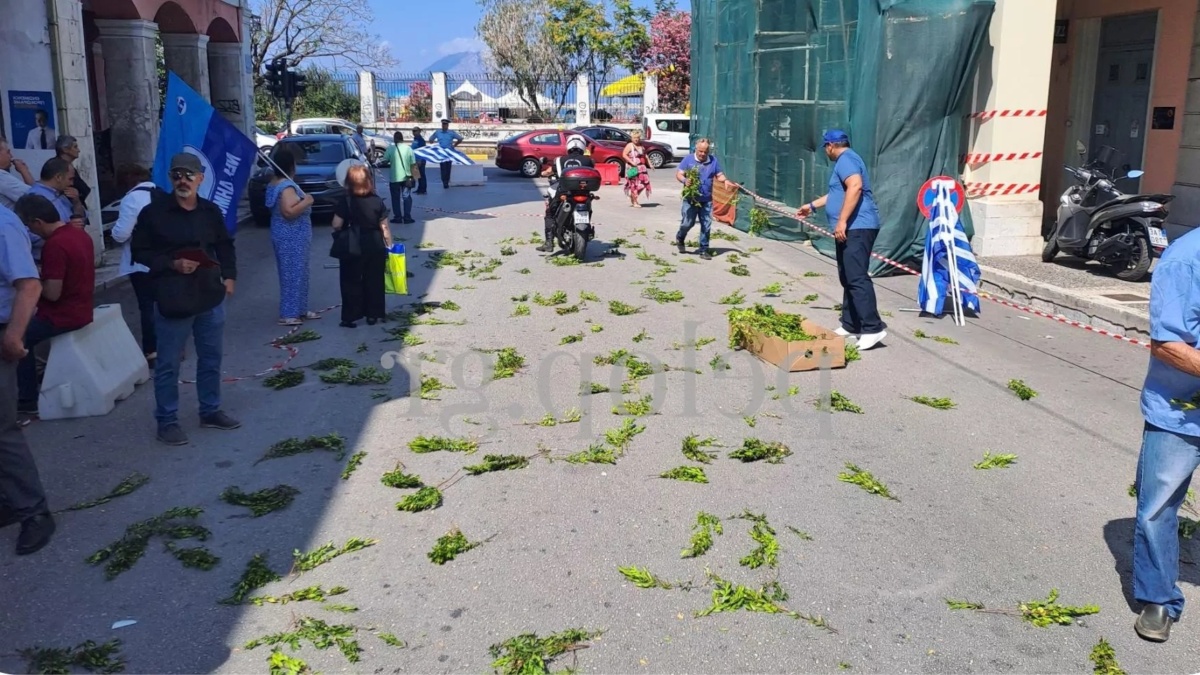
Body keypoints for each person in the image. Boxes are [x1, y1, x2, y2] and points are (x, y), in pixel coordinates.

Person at [131, 153, 239, 446]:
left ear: (200, 179)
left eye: (189, 175)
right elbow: (139, 252)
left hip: (209, 295)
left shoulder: (210, 211)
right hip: (173, 297)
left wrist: (229, 276)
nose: (183, 180)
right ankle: (166, 421)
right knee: (167, 363)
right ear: (170, 178)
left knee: (211, 358)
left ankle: (210, 410)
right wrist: (171, 263)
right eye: (177, 174)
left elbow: (224, 245)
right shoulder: (154, 214)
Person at [1130, 225, 1200, 643]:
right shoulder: (1185, 259)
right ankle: (1158, 599)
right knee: (1158, 507)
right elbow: (1167, 344)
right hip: (1179, 411)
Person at [797, 129, 887, 350]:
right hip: (851, 228)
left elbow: (855, 187)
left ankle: (872, 328)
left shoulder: (846, 159)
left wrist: (842, 221)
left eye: (825, 148)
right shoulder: (847, 161)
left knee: (856, 277)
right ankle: (850, 324)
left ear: (830, 146)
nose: (826, 152)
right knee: (847, 275)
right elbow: (839, 194)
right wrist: (811, 206)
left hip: (858, 227)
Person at [0, 201, 55, 555]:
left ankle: (34, 512)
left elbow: (30, 286)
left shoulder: (2, 223)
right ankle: (7, 500)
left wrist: (15, 337)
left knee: (1, 430)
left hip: (1, 330)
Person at [11, 195, 95, 417]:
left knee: (19, 336)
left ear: (37, 221)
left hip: (63, 315)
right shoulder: (79, 235)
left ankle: (27, 398)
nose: (30, 231)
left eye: (29, 225)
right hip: (82, 307)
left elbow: (53, 293)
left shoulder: (55, 245)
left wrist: (35, 279)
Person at [110, 164, 160, 363]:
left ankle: (152, 351)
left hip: (140, 262)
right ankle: (173, 346)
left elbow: (121, 234)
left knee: (147, 307)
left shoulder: (132, 198)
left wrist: (112, 232)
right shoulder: (160, 193)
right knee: (164, 303)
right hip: (164, 259)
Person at [332, 164, 391, 328]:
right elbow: (384, 227)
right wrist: (389, 245)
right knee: (374, 279)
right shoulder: (377, 201)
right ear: (368, 181)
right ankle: (373, 314)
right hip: (374, 243)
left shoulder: (346, 201)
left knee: (350, 280)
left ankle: (349, 317)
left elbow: (336, 224)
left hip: (353, 244)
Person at [266, 149, 319, 326]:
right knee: (291, 274)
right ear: (291, 166)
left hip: (292, 235)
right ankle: (288, 313)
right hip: (290, 236)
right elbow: (288, 212)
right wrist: (307, 201)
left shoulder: (276, 183)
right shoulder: (286, 187)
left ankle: (300, 309)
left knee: (300, 273)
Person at [674, 138, 732, 261]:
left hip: (706, 200)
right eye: (700, 151)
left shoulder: (713, 161)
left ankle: (704, 249)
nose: (702, 154)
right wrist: (685, 180)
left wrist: (725, 180)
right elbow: (679, 174)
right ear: (696, 149)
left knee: (706, 225)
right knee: (687, 223)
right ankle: (680, 237)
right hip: (690, 199)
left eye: (705, 152)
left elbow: (719, 175)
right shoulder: (688, 159)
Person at [537, 135, 594, 253]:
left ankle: (549, 242)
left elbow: (549, 172)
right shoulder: (589, 161)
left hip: (564, 192)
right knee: (589, 205)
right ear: (583, 146)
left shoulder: (560, 160)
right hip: (583, 192)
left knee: (550, 213)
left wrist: (542, 173)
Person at [383, 131, 419, 225]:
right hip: (407, 178)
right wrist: (416, 177)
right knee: (406, 197)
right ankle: (407, 217)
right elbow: (413, 164)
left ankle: (398, 217)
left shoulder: (390, 148)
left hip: (394, 178)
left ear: (395, 139)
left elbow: (385, 160)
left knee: (395, 198)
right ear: (402, 139)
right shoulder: (408, 148)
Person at [0, 137, 34, 209]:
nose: (11, 156)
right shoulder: (2, 178)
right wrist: (24, 171)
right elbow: (36, 198)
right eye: (8, 152)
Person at [428, 119, 463, 189]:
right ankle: (444, 182)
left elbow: (460, 138)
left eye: (445, 124)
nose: (444, 126)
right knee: (443, 168)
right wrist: (433, 143)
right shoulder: (438, 132)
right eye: (443, 124)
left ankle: (447, 180)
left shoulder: (451, 133)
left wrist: (454, 145)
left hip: (449, 153)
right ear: (442, 125)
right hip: (441, 153)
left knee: (448, 168)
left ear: (448, 125)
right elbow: (431, 139)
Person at [622, 129, 652, 208]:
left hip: (642, 168)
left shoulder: (641, 146)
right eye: (634, 137)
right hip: (633, 168)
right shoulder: (630, 145)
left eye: (638, 137)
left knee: (644, 184)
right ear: (632, 138)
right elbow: (624, 155)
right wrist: (631, 162)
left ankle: (633, 197)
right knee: (634, 185)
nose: (636, 139)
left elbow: (645, 155)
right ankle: (635, 201)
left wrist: (650, 164)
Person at [411, 127, 428, 194]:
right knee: (417, 176)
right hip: (415, 160)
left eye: (415, 131)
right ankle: (419, 188)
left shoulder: (421, 140)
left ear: (419, 131)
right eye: (413, 131)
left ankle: (423, 189)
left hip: (420, 160)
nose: (414, 132)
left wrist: (420, 160)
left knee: (422, 175)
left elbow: (422, 151)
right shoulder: (415, 139)